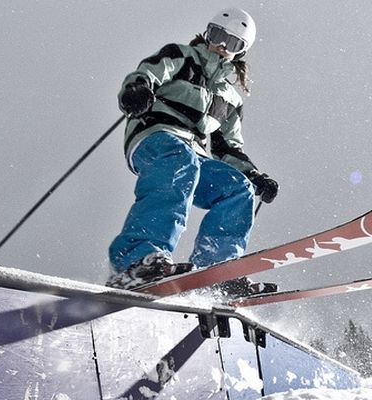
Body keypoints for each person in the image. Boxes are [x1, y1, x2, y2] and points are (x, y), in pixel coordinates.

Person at [107, 8, 279, 291]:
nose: (222, 46)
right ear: (207, 32)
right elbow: (147, 73)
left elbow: (229, 148)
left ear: (241, 52)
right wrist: (136, 91)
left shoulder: (230, 99)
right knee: (180, 161)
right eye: (218, 35)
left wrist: (254, 176)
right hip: (156, 135)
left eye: (233, 43)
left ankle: (217, 270)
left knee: (238, 187)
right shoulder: (183, 56)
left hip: (193, 153)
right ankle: (137, 260)